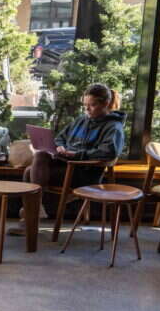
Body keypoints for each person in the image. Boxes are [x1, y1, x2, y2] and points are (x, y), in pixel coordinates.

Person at [10, 83, 125, 235]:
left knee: (29, 172)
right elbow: (60, 138)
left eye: (92, 105)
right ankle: (33, 218)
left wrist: (76, 155)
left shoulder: (113, 127)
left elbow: (109, 152)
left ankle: (31, 221)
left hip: (85, 173)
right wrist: (60, 148)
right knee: (40, 156)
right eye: (85, 105)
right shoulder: (81, 121)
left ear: (106, 104)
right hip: (67, 166)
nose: (87, 109)